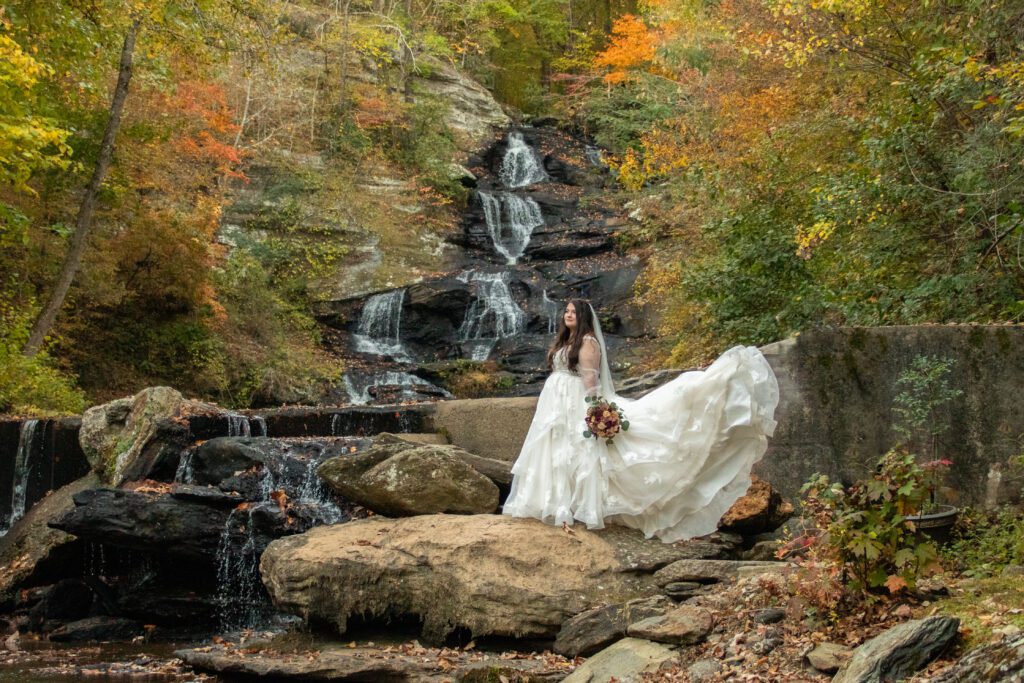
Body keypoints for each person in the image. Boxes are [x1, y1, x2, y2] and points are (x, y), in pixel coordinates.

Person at [501, 299, 780, 543]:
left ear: (584, 316)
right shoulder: (565, 341)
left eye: (573, 311)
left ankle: (579, 506)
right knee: (557, 449)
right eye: (566, 311)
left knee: (579, 450)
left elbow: (590, 379)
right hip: (555, 402)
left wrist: (595, 409)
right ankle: (559, 504)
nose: (568, 314)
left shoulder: (587, 342)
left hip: (575, 400)